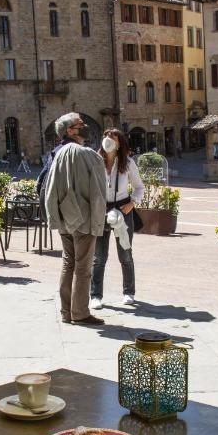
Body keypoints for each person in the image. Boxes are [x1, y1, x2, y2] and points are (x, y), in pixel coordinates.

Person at [44, 112, 107, 326]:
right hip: (84, 220)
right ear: (70, 130)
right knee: (82, 268)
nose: (85, 125)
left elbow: (46, 187)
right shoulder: (86, 154)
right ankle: (79, 313)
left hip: (65, 217)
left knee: (68, 263)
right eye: (80, 124)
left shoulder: (58, 153)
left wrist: (56, 216)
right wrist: (100, 221)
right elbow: (98, 192)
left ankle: (66, 312)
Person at [90, 129, 144, 308]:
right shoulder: (96, 161)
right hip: (101, 210)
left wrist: (132, 203)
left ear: (119, 143)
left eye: (112, 138)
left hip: (123, 209)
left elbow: (138, 187)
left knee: (125, 254)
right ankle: (95, 295)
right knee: (99, 257)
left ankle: (129, 292)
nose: (108, 140)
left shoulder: (128, 163)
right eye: (106, 137)